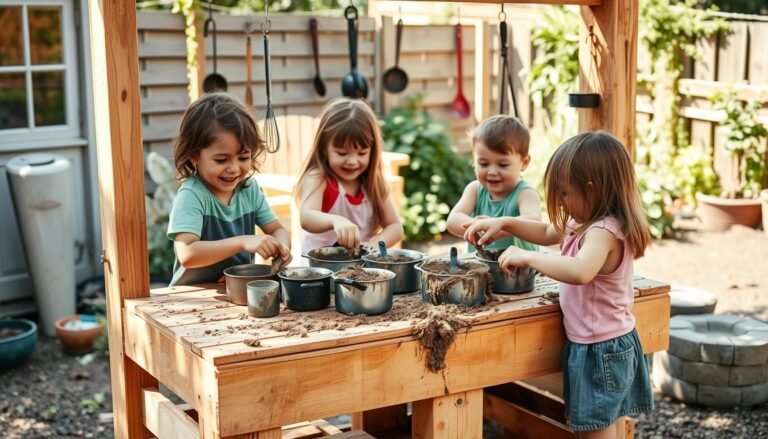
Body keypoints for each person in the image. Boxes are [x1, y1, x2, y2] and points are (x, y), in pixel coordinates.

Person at [464, 131, 654, 438]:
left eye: (565, 193)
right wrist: (505, 224)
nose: (562, 201)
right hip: (606, 342)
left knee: (596, 431)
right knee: (612, 426)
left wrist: (527, 257)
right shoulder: (584, 221)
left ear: (591, 190)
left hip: (600, 348)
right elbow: (546, 231)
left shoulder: (604, 231)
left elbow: (580, 271)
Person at [167, 92, 291, 286]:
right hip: (190, 297)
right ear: (193, 156)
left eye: (243, 158)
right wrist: (243, 242)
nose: (233, 168)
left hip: (234, 290)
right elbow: (187, 254)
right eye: (221, 159)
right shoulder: (192, 195)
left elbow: (277, 229)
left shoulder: (249, 190)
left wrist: (282, 248)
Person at [298, 98, 404, 253]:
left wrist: (375, 244)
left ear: (372, 151)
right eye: (342, 153)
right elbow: (307, 217)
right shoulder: (318, 178)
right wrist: (336, 221)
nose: (352, 161)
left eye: (362, 153)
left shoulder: (373, 183)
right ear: (323, 149)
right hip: (318, 270)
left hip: (360, 270)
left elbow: (395, 227)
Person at [446, 115, 541, 253]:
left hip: (518, 270)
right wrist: (478, 226)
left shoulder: (525, 194)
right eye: (483, 163)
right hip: (479, 269)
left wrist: (501, 227)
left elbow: (534, 222)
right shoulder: (475, 189)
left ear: (524, 163)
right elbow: (453, 220)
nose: (492, 172)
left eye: (503, 165)